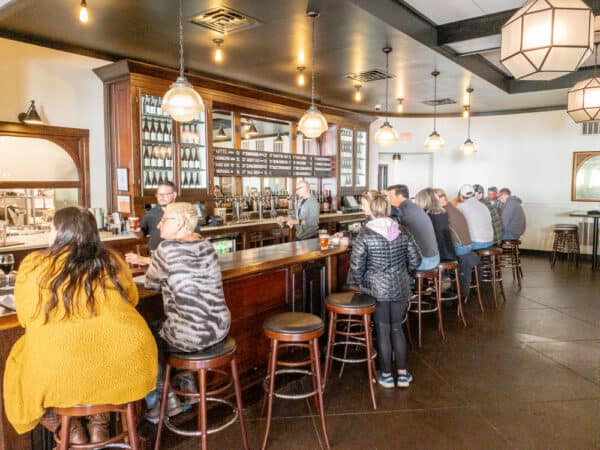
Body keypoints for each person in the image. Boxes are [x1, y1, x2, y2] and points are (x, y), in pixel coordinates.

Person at [4, 207, 157, 444]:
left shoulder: (35, 265)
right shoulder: (111, 260)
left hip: (60, 368)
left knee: (18, 370)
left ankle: (72, 431)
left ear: (60, 233)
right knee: (100, 366)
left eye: (51, 228)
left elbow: (25, 318)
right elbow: (133, 299)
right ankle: (100, 424)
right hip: (129, 361)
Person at [143, 202, 231, 420]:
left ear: (181, 224)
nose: (159, 225)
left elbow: (150, 283)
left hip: (192, 336)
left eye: (165, 220)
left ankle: (167, 400)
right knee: (169, 326)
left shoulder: (166, 249)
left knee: (144, 338)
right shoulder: (206, 244)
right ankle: (189, 387)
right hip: (220, 328)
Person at [347, 194, 421, 388]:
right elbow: (416, 260)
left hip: (376, 291)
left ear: (372, 210)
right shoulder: (403, 231)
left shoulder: (365, 234)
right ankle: (403, 375)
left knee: (382, 330)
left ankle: (386, 375)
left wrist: (364, 283)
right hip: (401, 288)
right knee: (397, 327)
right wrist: (403, 273)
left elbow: (356, 268)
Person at [433, 189, 480, 299]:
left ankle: (444, 285)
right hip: (468, 245)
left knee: (438, 254)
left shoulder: (443, 212)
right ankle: (446, 284)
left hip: (460, 247)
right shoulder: (454, 208)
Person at [387, 184, 439, 270]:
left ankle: (407, 283)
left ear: (399, 196)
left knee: (387, 263)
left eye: (390, 196)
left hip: (425, 261)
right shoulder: (414, 207)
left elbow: (391, 236)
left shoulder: (403, 211)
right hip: (433, 257)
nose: (388, 200)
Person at [414, 188, 456, 262]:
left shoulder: (426, 215)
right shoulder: (443, 213)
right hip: (450, 253)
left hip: (439, 256)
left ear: (422, 200)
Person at [138, 181, 178, 252]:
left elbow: (195, 237)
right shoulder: (151, 213)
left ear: (174, 195)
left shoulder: (183, 212)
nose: (161, 197)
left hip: (175, 256)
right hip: (154, 256)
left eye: (165, 194)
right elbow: (141, 235)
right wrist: (135, 231)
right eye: (159, 194)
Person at [456, 184, 493, 250]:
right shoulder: (484, 206)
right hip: (490, 241)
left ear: (461, 196)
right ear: (473, 194)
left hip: (476, 243)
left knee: (455, 244)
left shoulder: (460, 206)